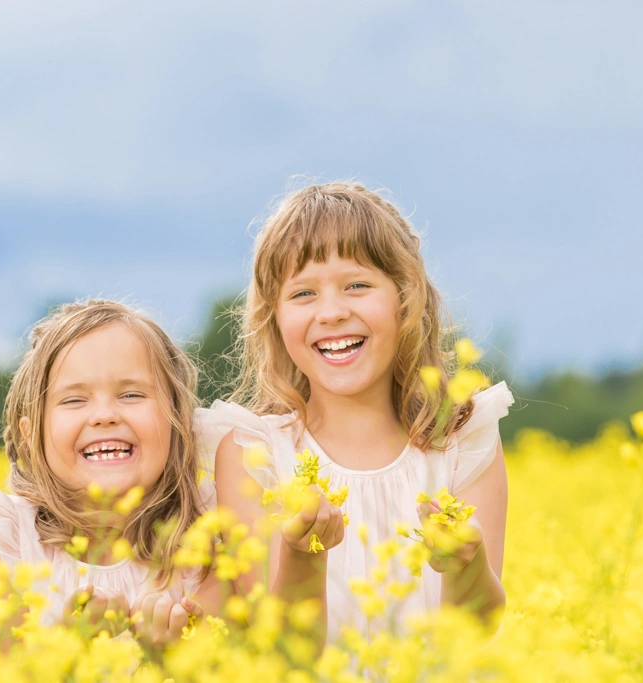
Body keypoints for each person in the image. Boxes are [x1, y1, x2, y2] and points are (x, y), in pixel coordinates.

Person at [201, 182, 513, 640]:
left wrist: (467, 564)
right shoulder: (254, 454)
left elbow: (476, 631)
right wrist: (302, 553)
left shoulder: (462, 441)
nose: (331, 312)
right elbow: (280, 648)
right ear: (275, 317)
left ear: (405, 298)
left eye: (357, 285)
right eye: (303, 294)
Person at [0, 299, 213, 654]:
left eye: (132, 394)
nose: (104, 415)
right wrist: (64, 652)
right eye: (74, 400)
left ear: (177, 420)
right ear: (31, 435)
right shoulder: (2, 538)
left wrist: (174, 661)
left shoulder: (209, 533)